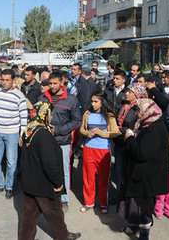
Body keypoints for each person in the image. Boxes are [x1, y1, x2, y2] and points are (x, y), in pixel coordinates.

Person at [20, 101, 81, 240]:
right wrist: (58, 182)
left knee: (29, 217)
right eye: (51, 113)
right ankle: (63, 236)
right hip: (44, 184)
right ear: (44, 114)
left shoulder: (29, 130)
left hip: (30, 181)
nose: (52, 116)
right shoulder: (43, 134)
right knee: (55, 213)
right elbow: (49, 163)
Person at [118, 98, 169, 240]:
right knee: (134, 204)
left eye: (138, 111)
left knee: (143, 208)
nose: (136, 114)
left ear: (147, 111)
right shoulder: (149, 123)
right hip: (141, 174)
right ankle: (135, 226)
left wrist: (129, 138)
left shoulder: (155, 129)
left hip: (147, 177)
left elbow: (141, 153)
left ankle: (144, 236)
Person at [40, 71, 81, 211]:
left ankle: (64, 199)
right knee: (45, 168)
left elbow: (76, 121)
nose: (52, 86)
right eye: (50, 83)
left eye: (55, 83)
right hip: (45, 141)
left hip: (62, 140)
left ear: (62, 83)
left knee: (63, 170)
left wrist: (57, 130)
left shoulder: (71, 99)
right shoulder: (43, 98)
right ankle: (48, 195)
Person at [0, 69, 27, 199]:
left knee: (11, 162)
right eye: (3, 80)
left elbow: (23, 117)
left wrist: (21, 135)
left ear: (14, 81)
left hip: (12, 134)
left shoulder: (19, 96)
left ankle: (9, 187)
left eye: (7, 80)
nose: (4, 83)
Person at [80, 92, 119, 214]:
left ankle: (103, 203)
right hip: (88, 148)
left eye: (96, 101)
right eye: (92, 101)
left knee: (103, 178)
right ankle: (88, 202)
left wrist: (101, 133)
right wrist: (87, 133)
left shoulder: (110, 116)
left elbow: (115, 132)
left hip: (104, 150)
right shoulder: (87, 113)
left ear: (102, 102)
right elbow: (82, 129)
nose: (93, 104)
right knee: (88, 177)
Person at [114, 84, 148, 195]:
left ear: (137, 94)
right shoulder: (123, 105)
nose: (126, 93)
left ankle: (127, 196)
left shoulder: (139, 108)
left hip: (130, 143)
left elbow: (136, 126)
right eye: (127, 91)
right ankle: (119, 194)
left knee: (128, 171)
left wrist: (122, 130)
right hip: (119, 142)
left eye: (130, 91)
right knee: (118, 171)